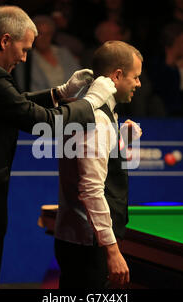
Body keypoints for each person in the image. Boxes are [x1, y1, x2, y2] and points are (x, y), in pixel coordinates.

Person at [0, 5, 117, 289]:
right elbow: (38, 121)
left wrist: (58, 94)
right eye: (24, 49)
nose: (25, 57)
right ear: (5, 40)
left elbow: (10, 104)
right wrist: (89, 103)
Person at [54, 41, 143, 288]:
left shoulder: (93, 110)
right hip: (87, 244)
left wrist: (118, 138)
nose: (138, 84)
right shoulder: (97, 120)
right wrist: (112, 251)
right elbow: (91, 190)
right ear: (117, 76)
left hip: (82, 240)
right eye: (135, 77)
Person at [13, 15, 81, 92]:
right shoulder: (26, 59)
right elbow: (24, 89)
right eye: (41, 34)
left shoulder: (63, 52)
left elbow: (79, 77)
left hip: (73, 98)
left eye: (48, 34)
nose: (44, 38)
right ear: (33, 36)